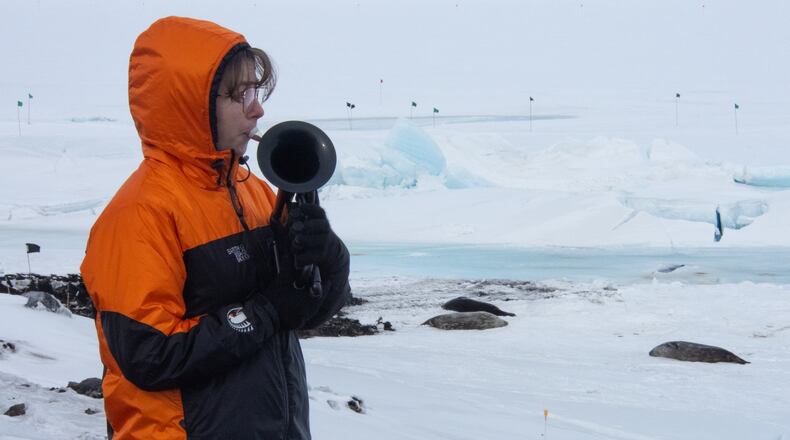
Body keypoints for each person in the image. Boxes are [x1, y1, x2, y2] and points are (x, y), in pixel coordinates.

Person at [81, 16, 350, 440]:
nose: (257, 109)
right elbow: (149, 356)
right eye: (237, 95)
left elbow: (303, 310)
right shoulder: (137, 215)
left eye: (256, 91)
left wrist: (331, 262)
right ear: (189, 105)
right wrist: (264, 311)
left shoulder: (255, 192)